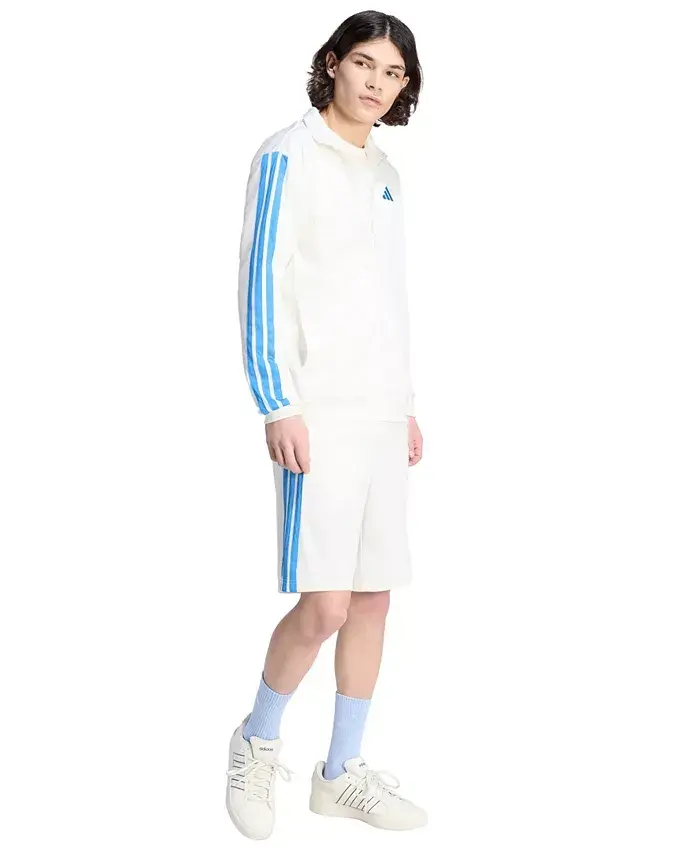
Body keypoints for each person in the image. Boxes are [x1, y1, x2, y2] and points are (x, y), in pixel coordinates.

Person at [226, 10, 425, 839]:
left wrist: (404, 404)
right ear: (335, 64)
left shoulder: (385, 172)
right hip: (318, 415)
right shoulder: (288, 154)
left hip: (379, 416)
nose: (378, 83)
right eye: (366, 64)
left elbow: (385, 298)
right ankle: (256, 739)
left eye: (394, 72)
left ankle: (340, 773)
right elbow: (260, 282)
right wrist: (278, 403)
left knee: (373, 598)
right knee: (326, 606)